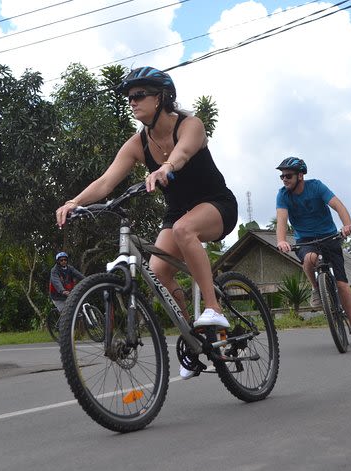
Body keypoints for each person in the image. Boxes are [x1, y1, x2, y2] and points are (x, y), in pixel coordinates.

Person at [55, 66, 238, 378]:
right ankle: (195, 336)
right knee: (157, 272)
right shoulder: (137, 144)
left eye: (139, 95)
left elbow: (183, 152)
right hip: (177, 213)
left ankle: (214, 309)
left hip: (215, 205)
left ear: (161, 97)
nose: (132, 102)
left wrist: (166, 167)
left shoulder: (190, 124)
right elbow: (106, 182)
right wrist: (75, 202)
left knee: (184, 229)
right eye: (129, 98)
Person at [274, 156, 351, 342]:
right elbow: (281, 220)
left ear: (300, 176)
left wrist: (347, 225)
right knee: (310, 259)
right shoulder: (282, 195)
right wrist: (281, 240)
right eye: (282, 176)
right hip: (305, 239)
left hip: (329, 235)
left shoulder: (316, 187)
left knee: (341, 283)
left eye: (288, 176)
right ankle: (317, 289)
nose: (284, 179)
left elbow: (338, 206)